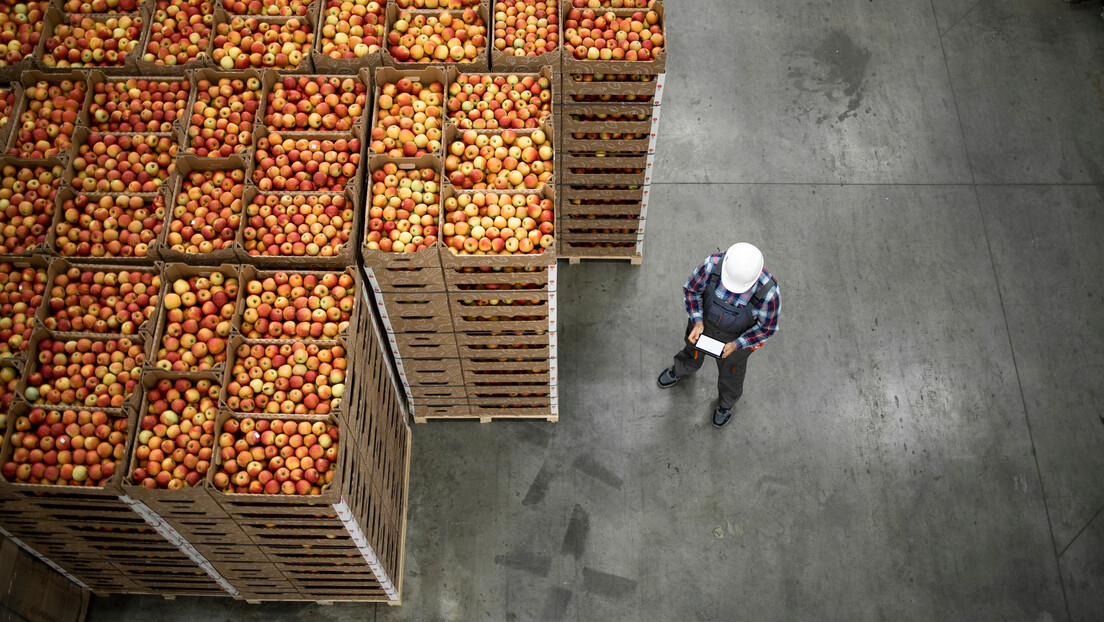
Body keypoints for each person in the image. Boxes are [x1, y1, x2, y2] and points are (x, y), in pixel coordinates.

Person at [657, 242, 781, 427]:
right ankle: (682, 368)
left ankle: (726, 404)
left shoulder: (769, 294)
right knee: (692, 350)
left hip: (736, 340)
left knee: (732, 372)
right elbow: (692, 291)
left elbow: (766, 329)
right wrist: (697, 321)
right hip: (703, 325)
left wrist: (737, 344)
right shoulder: (712, 264)